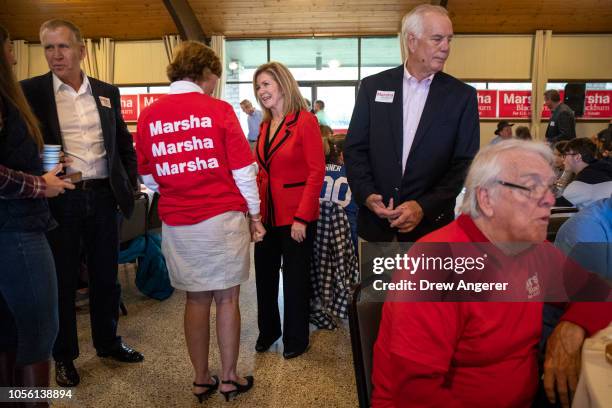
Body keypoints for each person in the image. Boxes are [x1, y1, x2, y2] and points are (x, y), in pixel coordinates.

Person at [371, 140, 611, 407]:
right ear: (486, 199)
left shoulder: (534, 250)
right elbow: (415, 394)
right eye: (532, 189)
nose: (549, 200)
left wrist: (571, 328)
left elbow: (600, 292)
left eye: (549, 188)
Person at [135, 41, 261, 402]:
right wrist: (255, 215)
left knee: (195, 300)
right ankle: (229, 378)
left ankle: (201, 378)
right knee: (227, 299)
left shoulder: (149, 115)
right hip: (220, 218)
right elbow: (243, 171)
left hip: (178, 221)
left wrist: (180, 185)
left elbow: (149, 176)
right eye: (213, 80)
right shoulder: (218, 110)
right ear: (206, 74)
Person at [21, 19, 142, 387]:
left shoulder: (107, 92)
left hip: (104, 196)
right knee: (62, 282)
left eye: (63, 47)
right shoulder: (30, 92)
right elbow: (23, 146)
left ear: (81, 49)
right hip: (62, 199)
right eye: (49, 48)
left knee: (106, 277)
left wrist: (131, 182)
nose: (56, 55)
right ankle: (64, 356)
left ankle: (108, 342)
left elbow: (123, 142)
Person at [344, 4, 479, 243]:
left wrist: (423, 206)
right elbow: (355, 149)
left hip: (431, 230)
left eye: (449, 39)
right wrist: (366, 194)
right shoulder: (372, 87)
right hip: (376, 227)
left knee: (427, 283)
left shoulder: (462, 96)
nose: (446, 48)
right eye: (437, 39)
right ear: (412, 41)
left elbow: (464, 163)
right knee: (378, 283)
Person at [0, 24, 74, 398]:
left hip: (14, 228)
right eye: (11, 49)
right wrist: (39, 185)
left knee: (10, 332)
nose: (15, 57)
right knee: (39, 332)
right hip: (16, 232)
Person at [252, 61, 325, 359]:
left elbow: (315, 172)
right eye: (258, 87)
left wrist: (302, 217)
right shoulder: (265, 125)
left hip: (296, 218)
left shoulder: (305, 121)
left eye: (266, 84)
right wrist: (254, 216)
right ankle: (268, 331)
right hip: (267, 217)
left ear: (282, 85)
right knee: (264, 278)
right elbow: (261, 172)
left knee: (295, 281)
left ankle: (297, 338)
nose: (261, 91)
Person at [555, 137, 612, 209]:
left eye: (565, 155)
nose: (563, 160)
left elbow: (555, 204)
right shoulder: (600, 169)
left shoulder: (583, 182)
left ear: (577, 157)